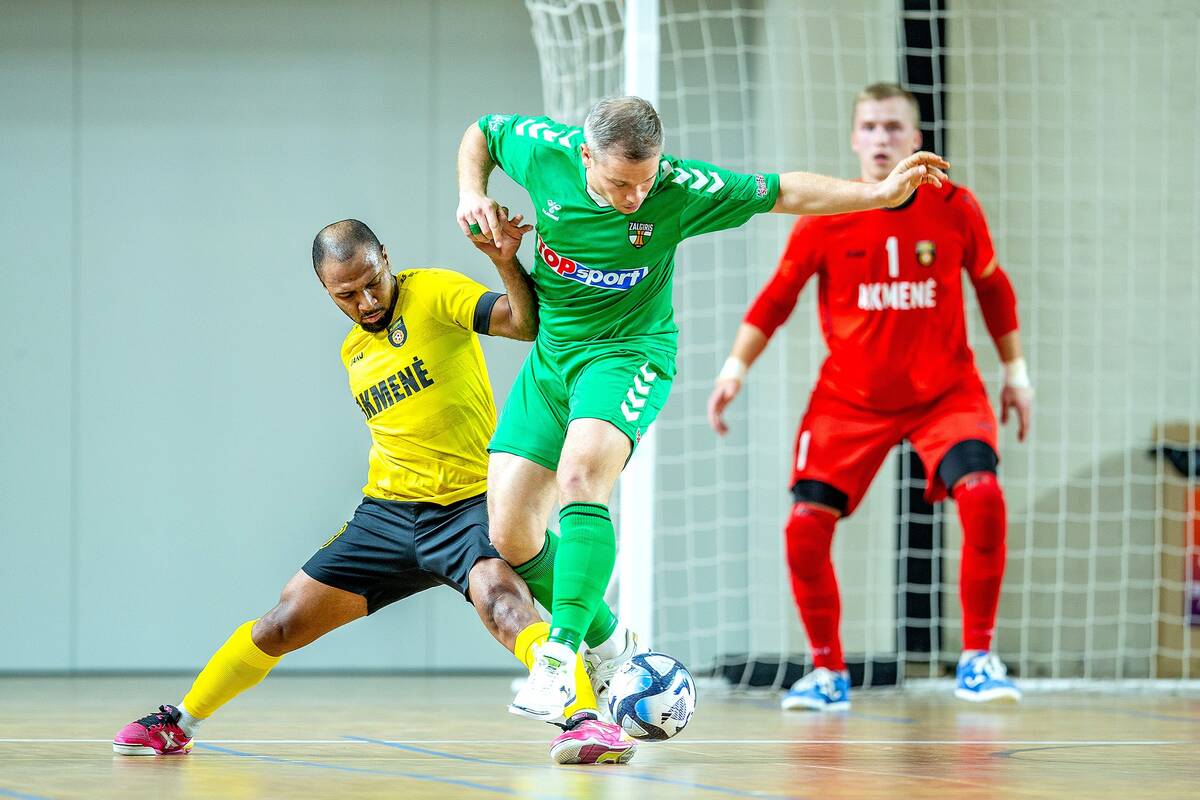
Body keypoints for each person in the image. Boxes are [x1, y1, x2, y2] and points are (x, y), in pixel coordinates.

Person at [455, 95, 949, 720]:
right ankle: (614, 646)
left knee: (581, 477)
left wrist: (875, 194)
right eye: (621, 184)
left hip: (628, 356)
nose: (637, 197)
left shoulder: (679, 187)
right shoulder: (543, 151)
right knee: (509, 533)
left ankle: (560, 656)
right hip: (552, 359)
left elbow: (783, 191)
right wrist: (471, 194)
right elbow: (483, 131)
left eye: (645, 181)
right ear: (585, 157)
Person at [112, 217, 636, 765]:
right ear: (326, 290)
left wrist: (504, 261)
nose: (365, 302)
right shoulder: (352, 352)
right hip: (386, 517)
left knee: (504, 605)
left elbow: (522, 324)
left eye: (372, 282)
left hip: (467, 509)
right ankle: (179, 723)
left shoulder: (433, 291)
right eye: (346, 294)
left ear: (386, 257)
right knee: (283, 621)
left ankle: (585, 721)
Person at [707, 83, 1032, 710]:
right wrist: (733, 370)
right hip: (849, 400)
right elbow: (777, 298)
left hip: (945, 393)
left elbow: (993, 288)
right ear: (855, 139)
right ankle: (828, 673)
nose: (882, 138)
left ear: (917, 139)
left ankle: (978, 659)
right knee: (805, 528)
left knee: (983, 494)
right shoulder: (826, 215)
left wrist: (1016, 375)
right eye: (871, 127)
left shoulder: (956, 206)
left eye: (894, 127)